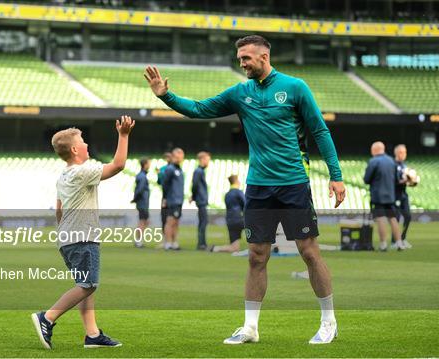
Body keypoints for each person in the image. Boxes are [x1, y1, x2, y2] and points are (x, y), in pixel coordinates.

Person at [145, 34, 346, 345]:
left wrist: (336, 175)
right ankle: (250, 328)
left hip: (293, 183)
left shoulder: (295, 88)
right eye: (239, 58)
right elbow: (199, 109)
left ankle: (329, 321)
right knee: (256, 255)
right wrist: (165, 96)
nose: (241, 63)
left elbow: (319, 129)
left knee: (309, 252)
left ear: (264, 57)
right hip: (259, 188)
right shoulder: (240, 93)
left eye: (246, 59)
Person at [31, 116, 135, 350]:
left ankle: (92, 334)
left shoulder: (63, 175)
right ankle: (46, 317)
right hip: (83, 236)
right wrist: (124, 135)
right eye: (84, 141)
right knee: (88, 285)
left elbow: (59, 210)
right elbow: (118, 165)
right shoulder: (83, 171)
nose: (87, 144)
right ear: (76, 149)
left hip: (67, 238)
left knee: (85, 285)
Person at [363, 141, 405, 252]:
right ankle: (399, 243)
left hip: (378, 196)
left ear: (375, 150)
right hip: (390, 196)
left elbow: (366, 179)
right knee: (393, 219)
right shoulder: (392, 161)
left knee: (381, 218)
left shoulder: (373, 161)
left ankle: (383, 244)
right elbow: (397, 179)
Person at [210, 175, 245, 254]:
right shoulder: (239, 192)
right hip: (240, 219)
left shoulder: (227, 194)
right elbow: (245, 206)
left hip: (230, 221)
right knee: (257, 227)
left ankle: (216, 248)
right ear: (236, 181)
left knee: (235, 248)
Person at [162, 148, 185, 250]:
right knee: (170, 221)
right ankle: (168, 243)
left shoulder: (179, 169)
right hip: (172, 199)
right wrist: (165, 198)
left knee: (176, 222)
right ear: (173, 157)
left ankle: (174, 242)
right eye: (177, 156)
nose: (179, 158)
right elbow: (165, 184)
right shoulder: (170, 169)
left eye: (181, 156)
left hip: (179, 200)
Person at [392, 144, 412, 249]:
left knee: (408, 216)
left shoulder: (404, 166)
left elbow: (405, 182)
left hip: (404, 195)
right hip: (396, 195)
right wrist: (405, 180)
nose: (404, 154)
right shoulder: (393, 165)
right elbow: (393, 181)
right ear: (397, 153)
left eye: (405, 152)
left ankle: (402, 239)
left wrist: (412, 182)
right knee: (396, 218)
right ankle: (394, 241)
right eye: (402, 152)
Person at [190, 151, 210, 250]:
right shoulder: (198, 171)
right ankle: (201, 244)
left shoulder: (200, 171)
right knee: (203, 222)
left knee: (203, 222)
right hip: (201, 200)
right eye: (207, 160)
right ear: (202, 159)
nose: (208, 162)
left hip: (201, 199)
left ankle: (202, 243)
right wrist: (193, 196)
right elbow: (195, 185)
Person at [132, 158, 150, 248]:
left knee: (145, 221)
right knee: (142, 222)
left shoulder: (141, 175)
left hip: (142, 202)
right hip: (143, 203)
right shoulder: (142, 176)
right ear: (145, 164)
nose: (149, 165)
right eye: (148, 163)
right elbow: (140, 190)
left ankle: (138, 239)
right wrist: (136, 198)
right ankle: (138, 241)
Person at [157, 152, 172, 234]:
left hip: (172, 197)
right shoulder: (163, 168)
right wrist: (159, 175)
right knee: (164, 217)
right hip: (166, 195)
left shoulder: (174, 169)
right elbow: (159, 182)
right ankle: (166, 239)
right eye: (166, 157)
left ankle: (171, 240)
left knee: (172, 218)